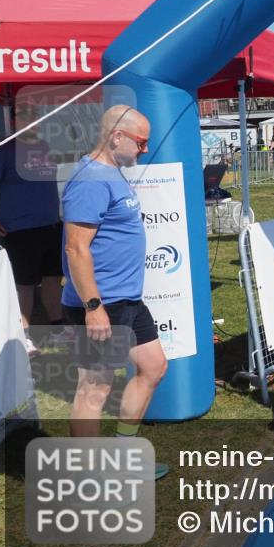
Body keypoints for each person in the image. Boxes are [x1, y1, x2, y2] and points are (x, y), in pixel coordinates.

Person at [61, 105, 169, 478]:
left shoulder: (113, 173)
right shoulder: (91, 180)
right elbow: (76, 248)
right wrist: (93, 307)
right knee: (95, 387)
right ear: (116, 136)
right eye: (141, 141)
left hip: (127, 300)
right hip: (101, 303)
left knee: (153, 366)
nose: (145, 148)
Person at [0, 105, 65, 355]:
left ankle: (58, 327)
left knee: (53, 279)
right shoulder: (1, 152)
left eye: (35, 116)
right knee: (24, 285)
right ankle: (24, 335)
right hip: (21, 230)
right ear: (13, 121)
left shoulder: (44, 148)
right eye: (24, 116)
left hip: (51, 226)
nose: (32, 121)